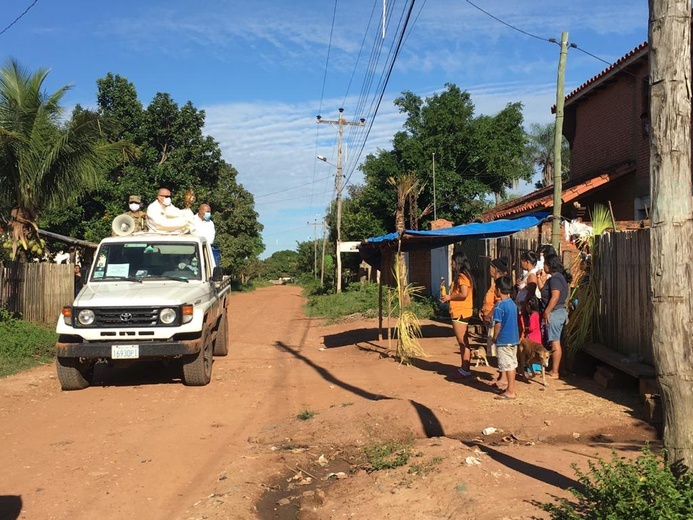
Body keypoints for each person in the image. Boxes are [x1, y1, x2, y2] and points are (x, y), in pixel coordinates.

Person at [537, 253, 572, 378]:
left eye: (545, 264)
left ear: (550, 265)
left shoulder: (555, 279)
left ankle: (555, 371)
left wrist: (547, 311)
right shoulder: (556, 278)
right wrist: (539, 280)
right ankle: (561, 368)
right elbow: (545, 293)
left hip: (555, 312)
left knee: (555, 342)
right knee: (559, 341)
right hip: (559, 312)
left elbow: (555, 297)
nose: (544, 266)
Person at [440, 253, 474, 378]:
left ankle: (465, 369)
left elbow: (464, 294)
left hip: (460, 312)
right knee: (463, 341)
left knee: (462, 342)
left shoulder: (462, 277)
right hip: (461, 310)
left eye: (453, 262)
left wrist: (450, 297)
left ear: (458, 262)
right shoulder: (464, 276)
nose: (451, 265)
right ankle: (464, 368)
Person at [492, 276, 520, 400]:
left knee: (507, 365)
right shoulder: (513, 304)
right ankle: (511, 388)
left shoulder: (499, 306)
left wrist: (494, 336)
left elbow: (498, 324)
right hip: (514, 339)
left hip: (504, 340)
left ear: (498, 290)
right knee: (512, 364)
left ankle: (510, 391)